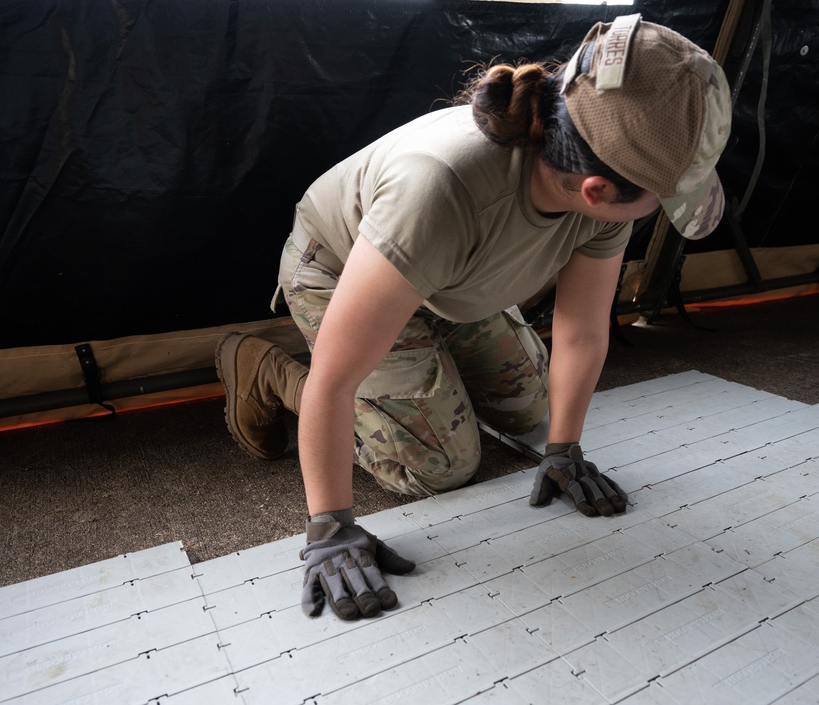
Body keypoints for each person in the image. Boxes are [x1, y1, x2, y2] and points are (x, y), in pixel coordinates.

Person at [215, 15, 731, 621]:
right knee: (436, 466)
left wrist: (563, 448)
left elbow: (581, 331)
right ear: (595, 189)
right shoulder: (440, 189)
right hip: (339, 266)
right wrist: (329, 526)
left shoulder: (597, 182)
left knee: (533, 412)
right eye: (662, 196)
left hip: (453, 282)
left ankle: (426, 366)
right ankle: (263, 368)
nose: (658, 209)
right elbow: (335, 378)